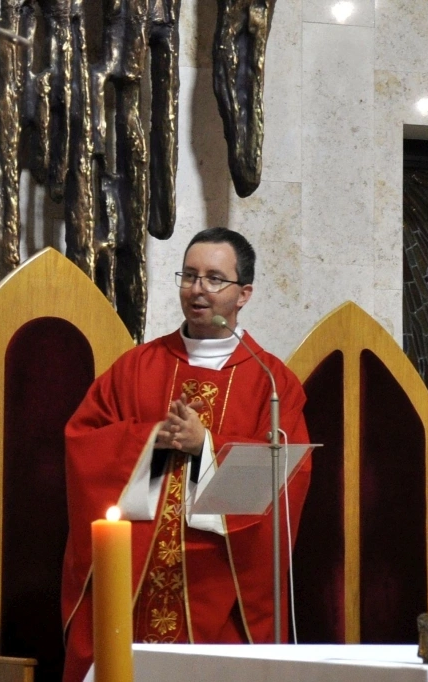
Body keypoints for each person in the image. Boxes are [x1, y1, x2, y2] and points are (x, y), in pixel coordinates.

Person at [61, 227, 313, 682]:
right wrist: (149, 439)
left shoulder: (271, 382)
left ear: (244, 294)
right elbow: (83, 441)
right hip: (133, 581)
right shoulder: (136, 367)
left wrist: (206, 446)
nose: (198, 289)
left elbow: (287, 477)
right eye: (189, 276)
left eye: (214, 279)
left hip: (220, 586)